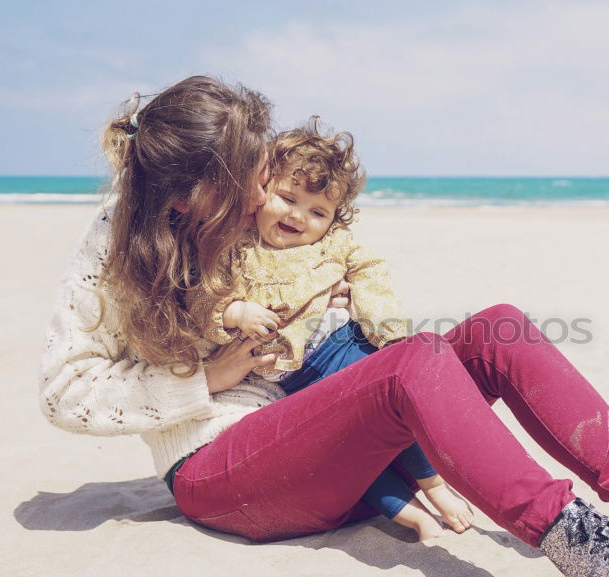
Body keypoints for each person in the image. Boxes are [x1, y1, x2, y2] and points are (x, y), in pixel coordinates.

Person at [39, 75, 609, 577]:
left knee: (496, 329)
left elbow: (322, 328)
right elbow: (64, 392)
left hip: (303, 436)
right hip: (217, 474)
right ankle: (595, 557)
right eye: (251, 171)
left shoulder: (243, 225)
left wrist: (329, 304)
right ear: (196, 185)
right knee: (411, 363)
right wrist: (206, 378)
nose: (263, 188)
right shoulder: (113, 248)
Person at [185, 118, 474, 540]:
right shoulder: (236, 245)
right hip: (289, 380)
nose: (299, 216)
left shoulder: (334, 244)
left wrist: (390, 332)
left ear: (335, 219)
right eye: (288, 198)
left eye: (317, 211)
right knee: (347, 450)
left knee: (396, 418)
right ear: (262, 193)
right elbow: (204, 298)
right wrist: (235, 313)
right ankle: (409, 515)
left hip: (341, 350)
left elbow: (371, 275)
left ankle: (435, 486)